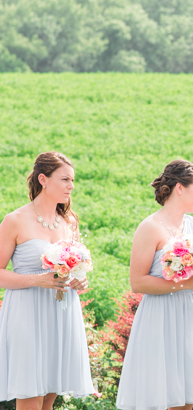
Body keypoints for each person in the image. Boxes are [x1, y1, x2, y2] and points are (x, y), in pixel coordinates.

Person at [116, 160, 193, 410]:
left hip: (190, 317)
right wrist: (185, 284)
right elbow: (137, 282)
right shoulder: (150, 228)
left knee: (185, 398)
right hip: (160, 319)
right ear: (180, 188)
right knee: (158, 397)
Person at [0, 151, 93, 409]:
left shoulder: (69, 222)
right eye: (65, 180)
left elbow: (74, 271)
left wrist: (80, 282)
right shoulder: (14, 220)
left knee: (49, 397)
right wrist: (37, 280)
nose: (71, 186)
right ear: (43, 179)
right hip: (27, 313)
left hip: (61, 312)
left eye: (72, 180)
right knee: (31, 395)